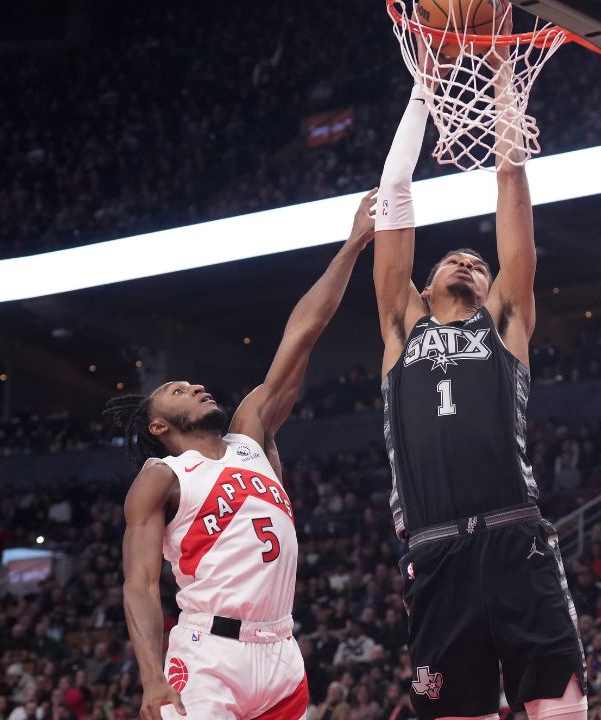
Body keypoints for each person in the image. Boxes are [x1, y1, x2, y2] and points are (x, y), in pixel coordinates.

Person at [371, 22, 587, 719]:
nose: (470, 260)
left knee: (560, 707)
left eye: (480, 262)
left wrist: (500, 79)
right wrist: (423, 89)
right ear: (424, 285)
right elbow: (394, 189)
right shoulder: (402, 328)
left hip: (515, 536)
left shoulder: (506, 326)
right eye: (453, 258)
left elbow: (510, 189)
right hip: (436, 552)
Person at [114, 192, 377, 720]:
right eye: (177, 389)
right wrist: (150, 678)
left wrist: (354, 243)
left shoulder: (249, 438)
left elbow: (302, 335)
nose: (195, 386)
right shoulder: (161, 477)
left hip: (281, 653)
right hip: (209, 655)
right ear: (157, 424)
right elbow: (139, 584)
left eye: (193, 382)